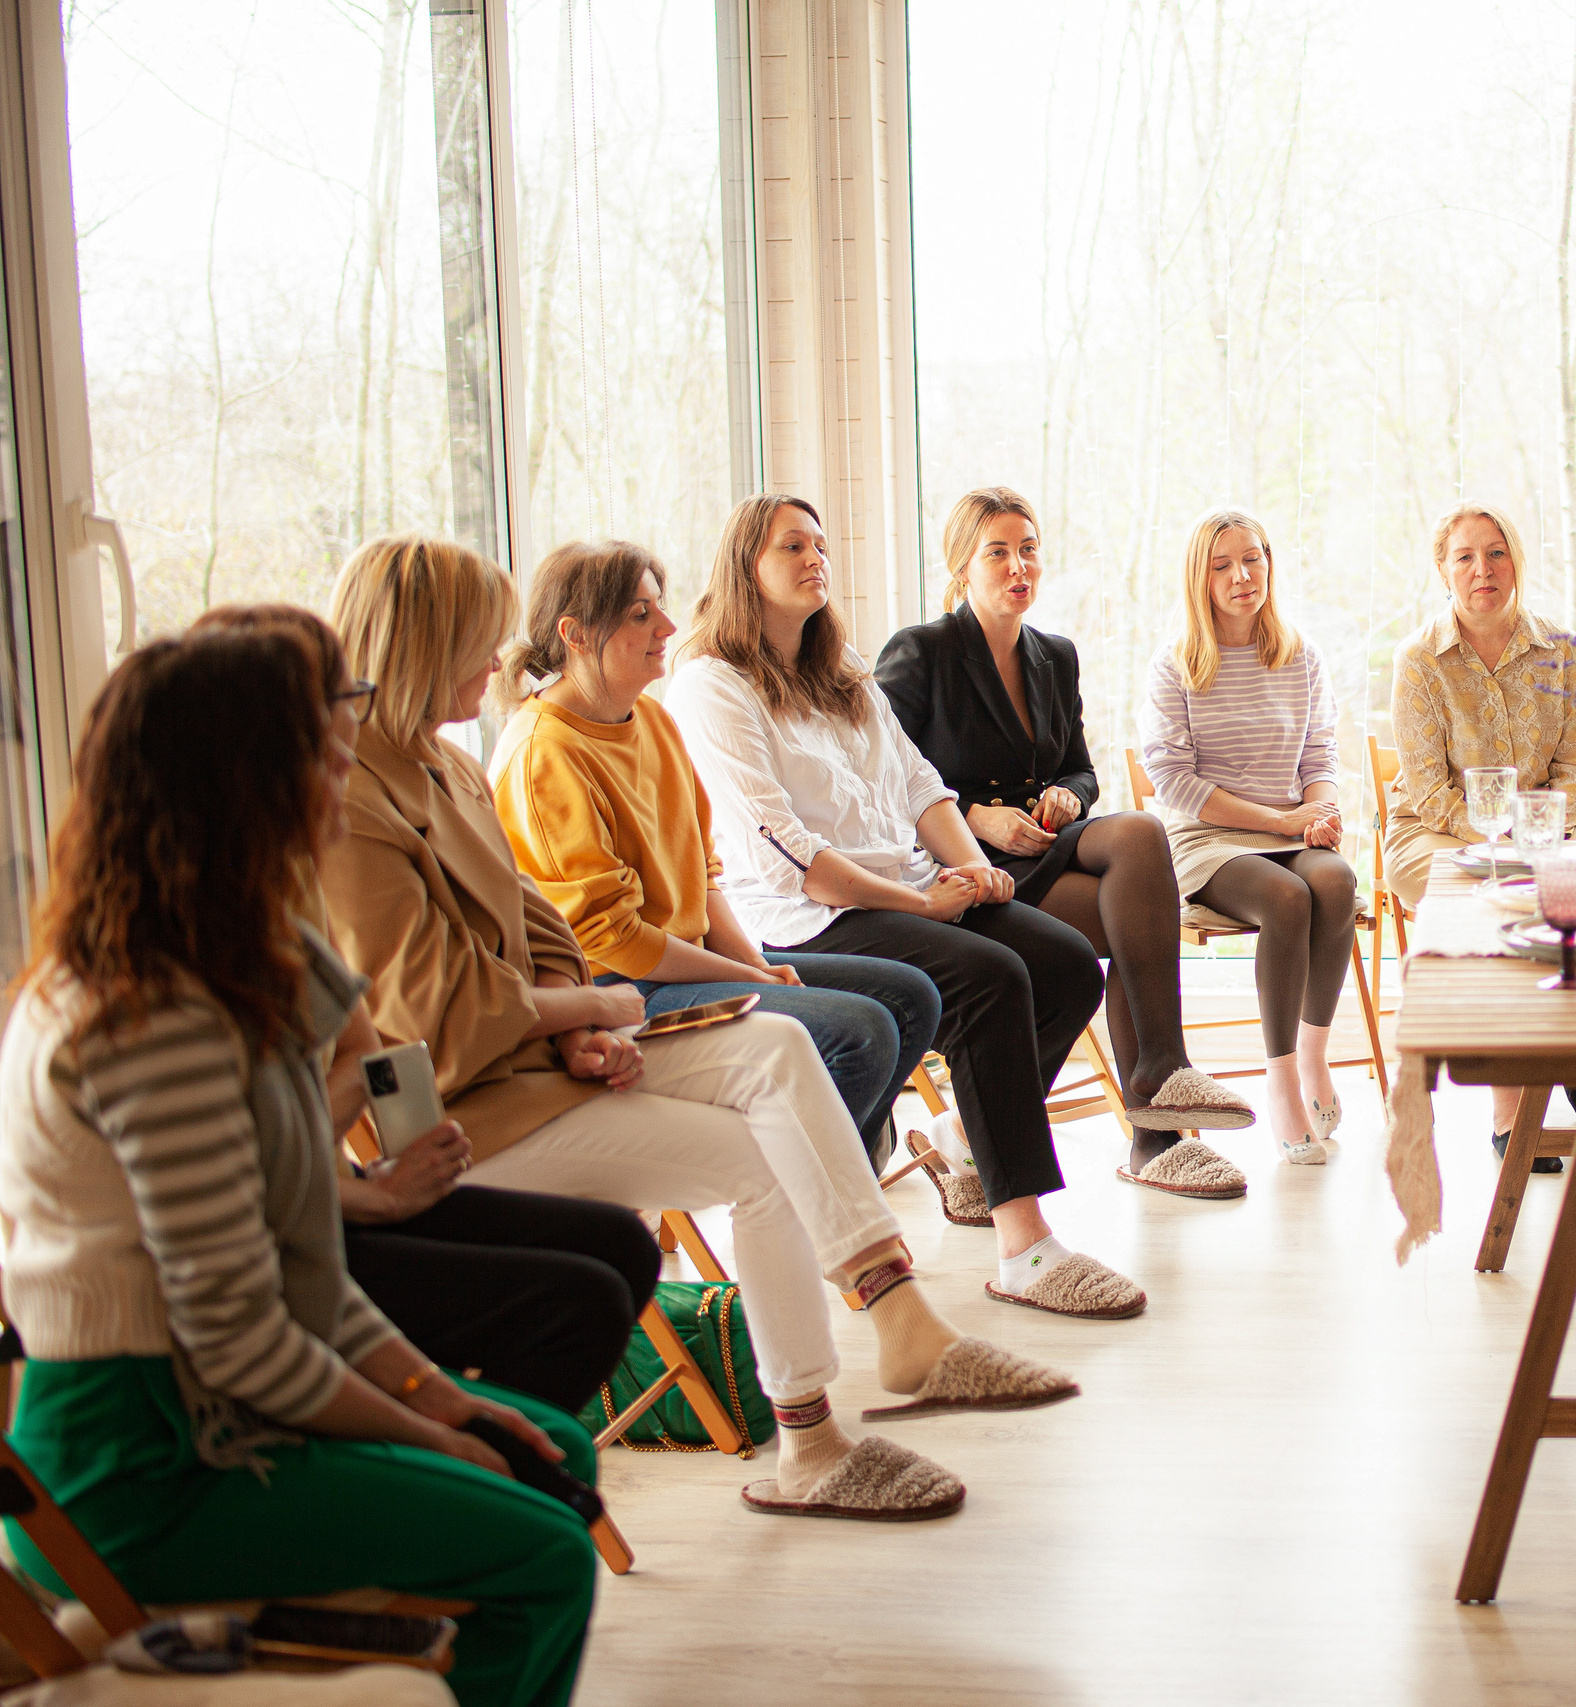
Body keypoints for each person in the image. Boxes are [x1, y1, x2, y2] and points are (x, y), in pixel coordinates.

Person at [328, 535, 1075, 1521]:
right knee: (793, 1054)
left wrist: (569, 1018)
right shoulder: (353, 797)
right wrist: (587, 1010)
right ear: (421, 643)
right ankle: (885, 1337)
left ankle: (817, 1429)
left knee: (776, 1079)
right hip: (451, 1120)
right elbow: (432, 1008)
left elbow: (537, 924)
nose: (497, 659)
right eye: (478, 638)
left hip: (529, 1065)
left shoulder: (443, 766)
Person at [0, 627, 595, 1707]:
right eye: (321, 754)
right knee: (546, 1548)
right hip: (143, 1464)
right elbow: (239, 1336)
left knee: (548, 1449)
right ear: (242, 788)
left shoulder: (228, 964)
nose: (342, 774)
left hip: (211, 1413)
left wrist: (436, 1402)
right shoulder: (146, 1018)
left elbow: (303, 1266)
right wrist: (431, 1428)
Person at [661, 496, 1148, 1320]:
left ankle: (968, 1137)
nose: (816, 556)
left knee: (1065, 962)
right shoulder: (713, 686)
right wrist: (922, 900)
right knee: (990, 976)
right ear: (746, 566)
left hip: (912, 882)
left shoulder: (841, 671)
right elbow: (789, 852)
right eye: (792, 546)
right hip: (810, 914)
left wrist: (970, 868)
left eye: (820, 542)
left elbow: (923, 785)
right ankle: (1024, 1242)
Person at [190, 600, 662, 1417]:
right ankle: (507, 1485)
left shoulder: (282, 891)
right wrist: (369, 1193)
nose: (351, 756)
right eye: (338, 728)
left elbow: (363, 1055)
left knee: (618, 1245)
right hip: (268, 1252)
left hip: (325, 1195)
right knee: (577, 1300)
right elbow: (222, 1210)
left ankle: (507, 1476)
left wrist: (394, 1156)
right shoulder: (176, 962)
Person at [486, 538, 937, 1175]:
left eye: (659, 607)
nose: (667, 626)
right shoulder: (543, 754)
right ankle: (801, 1197)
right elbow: (614, 942)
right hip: (616, 993)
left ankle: (827, 1187)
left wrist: (753, 965)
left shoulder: (651, 719)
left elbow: (704, 873)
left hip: (688, 964)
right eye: (640, 614)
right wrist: (748, 979)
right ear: (576, 634)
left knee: (912, 996)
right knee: (861, 1031)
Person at [876, 486, 1256, 1197]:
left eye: (1028, 549)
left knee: (1141, 834)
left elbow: (1080, 766)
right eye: (998, 552)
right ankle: (1153, 1135)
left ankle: (1159, 1079)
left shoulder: (1056, 655)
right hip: (964, 866)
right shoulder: (922, 652)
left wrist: (1068, 795)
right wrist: (973, 815)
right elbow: (875, 777)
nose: (1019, 566)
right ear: (962, 566)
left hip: (1043, 848)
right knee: (1125, 914)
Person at [1139, 508, 1358, 1166]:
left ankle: (1315, 1058)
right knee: (1288, 897)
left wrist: (1320, 809)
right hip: (1207, 843)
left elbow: (1321, 758)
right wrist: (1283, 821)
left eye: (1253, 558)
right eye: (1223, 564)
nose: (1242, 575)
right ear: (1200, 578)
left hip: (1289, 828)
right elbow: (1173, 784)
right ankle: (1281, 1077)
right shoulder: (1175, 665)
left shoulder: (1301, 656)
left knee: (1337, 880)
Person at [1384, 503, 1576, 1174]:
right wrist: (1507, 839)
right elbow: (1427, 791)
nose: (1483, 569)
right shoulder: (1419, 658)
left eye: (1496, 552)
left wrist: (1544, 828)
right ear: (1443, 571)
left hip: (1544, 824)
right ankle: (1512, 1111)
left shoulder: (1560, 650)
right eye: (1466, 557)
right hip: (1435, 832)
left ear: (1517, 561)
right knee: (1498, 894)